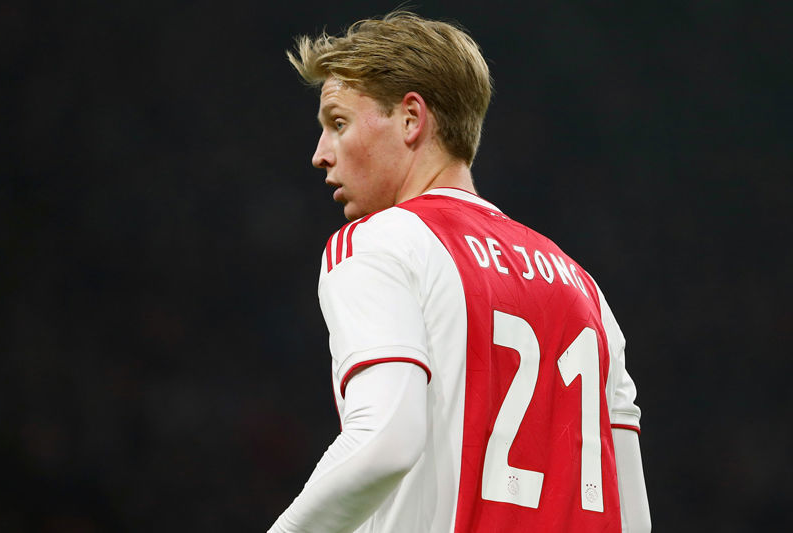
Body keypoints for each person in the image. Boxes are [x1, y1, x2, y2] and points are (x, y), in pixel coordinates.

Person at [269, 11, 650, 533]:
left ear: (411, 119)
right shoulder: (585, 290)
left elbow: (384, 441)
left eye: (338, 123)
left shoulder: (381, 244)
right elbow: (631, 515)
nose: (320, 154)